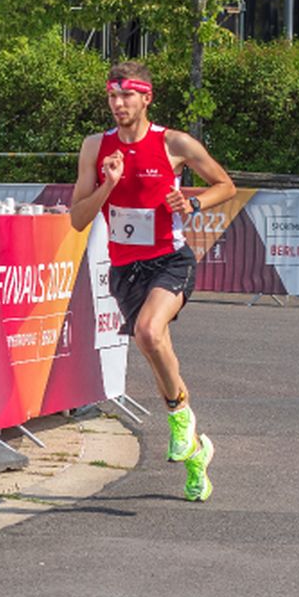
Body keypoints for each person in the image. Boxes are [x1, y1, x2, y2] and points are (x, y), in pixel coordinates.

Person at [69, 60, 236, 502]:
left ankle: (180, 417)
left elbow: (226, 185)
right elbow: (77, 219)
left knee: (148, 330)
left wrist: (194, 203)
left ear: (147, 98)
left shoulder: (173, 142)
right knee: (151, 344)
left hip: (170, 260)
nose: (118, 104)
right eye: (111, 96)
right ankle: (198, 452)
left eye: (127, 96)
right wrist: (107, 185)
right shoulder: (95, 147)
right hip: (125, 269)